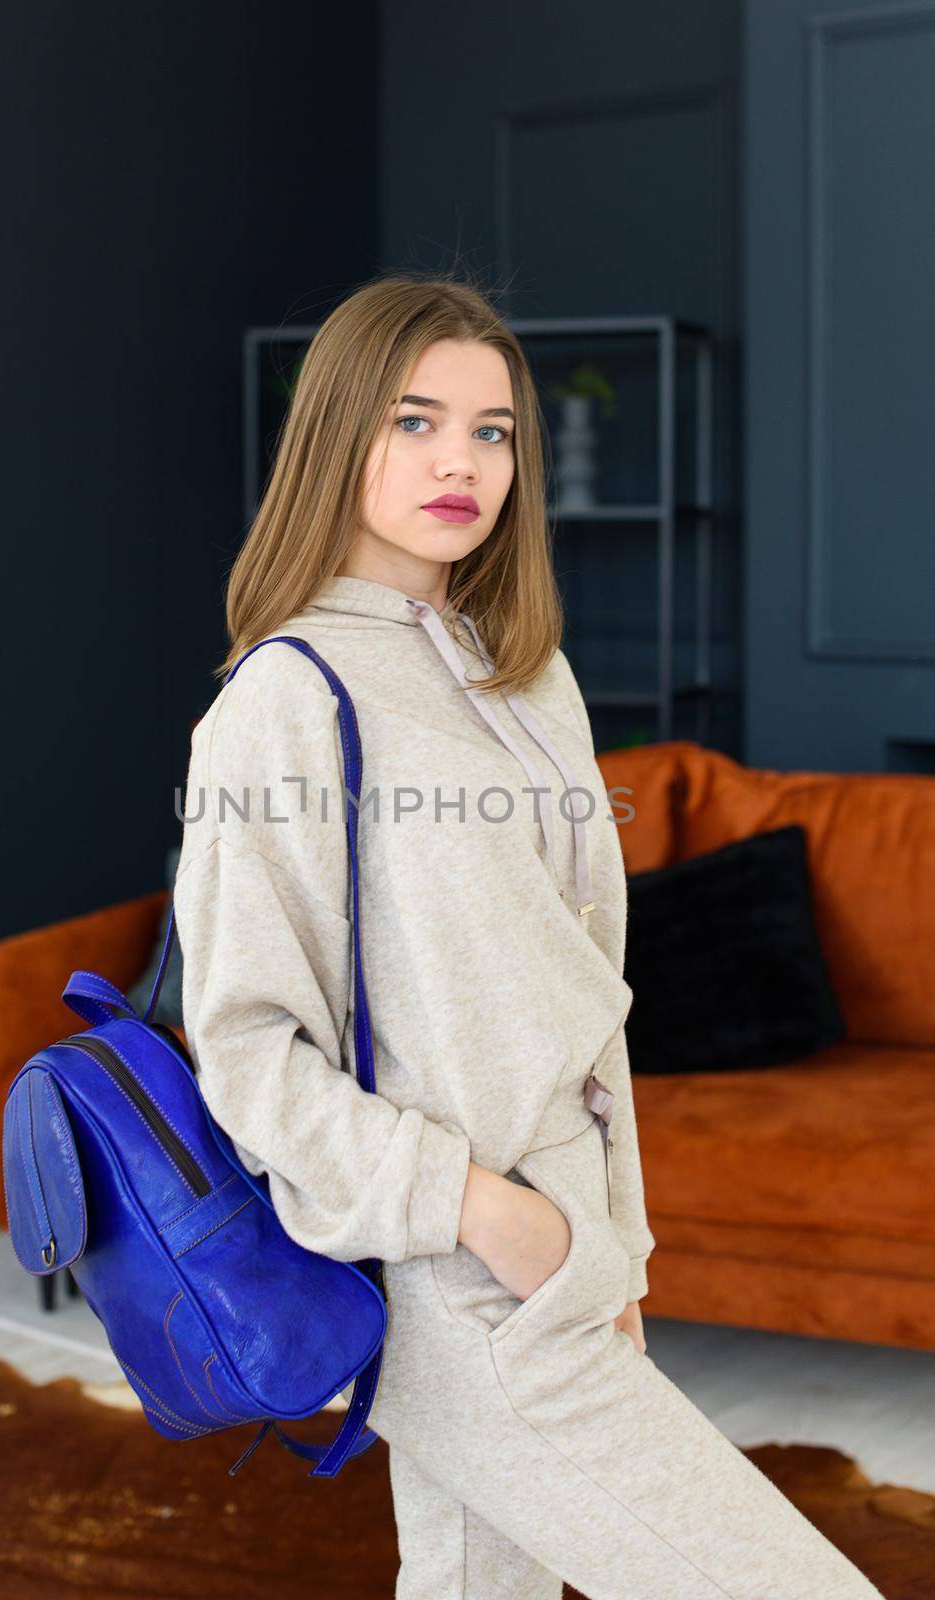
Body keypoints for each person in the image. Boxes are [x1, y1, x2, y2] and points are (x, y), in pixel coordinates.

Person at [173, 272, 884, 1599]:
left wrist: (618, 1240)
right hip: (459, 1265)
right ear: (337, 437)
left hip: (564, 1243)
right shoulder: (284, 701)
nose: (463, 461)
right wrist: (487, 1216)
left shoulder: (525, 673)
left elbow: (587, 995)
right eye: (416, 421)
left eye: (493, 430)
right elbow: (250, 1054)